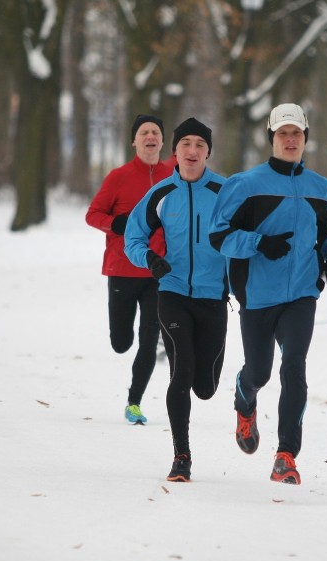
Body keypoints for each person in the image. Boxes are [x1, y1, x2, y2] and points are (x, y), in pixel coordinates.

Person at [209, 103, 327, 485]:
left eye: (297, 134)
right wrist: (258, 243)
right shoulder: (246, 184)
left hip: (302, 294)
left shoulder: (320, 188)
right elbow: (219, 236)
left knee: (295, 369)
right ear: (271, 138)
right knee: (260, 372)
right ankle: (244, 400)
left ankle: (286, 455)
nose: (290, 140)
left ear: (305, 138)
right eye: (283, 133)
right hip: (257, 296)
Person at [124, 118, 229, 482]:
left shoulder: (225, 191)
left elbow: (248, 236)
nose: (192, 150)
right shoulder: (160, 194)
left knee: (205, 387)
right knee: (180, 370)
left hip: (213, 297)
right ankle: (181, 456)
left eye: (200, 143)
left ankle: (209, 384)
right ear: (175, 151)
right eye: (186, 143)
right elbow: (133, 238)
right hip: (171, 293)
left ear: (208, 152)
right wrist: (149, 259)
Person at [85, 114, 175, 425]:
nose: (150, 136)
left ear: (162, 141)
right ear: (134, 141)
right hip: (122, 269)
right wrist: (114, 223)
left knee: (149, 338)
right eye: (144, 132)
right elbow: (92, 214)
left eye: (155, 132)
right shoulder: (118, 177)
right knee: (121, 342)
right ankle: (121, 342)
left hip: (157, 271)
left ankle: (134, 402)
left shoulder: (175, 175)